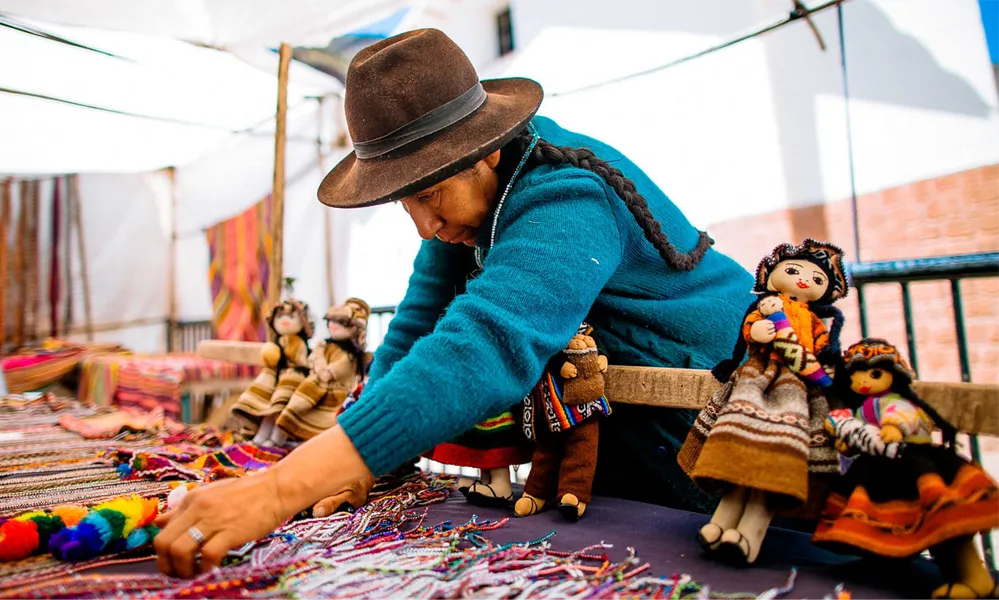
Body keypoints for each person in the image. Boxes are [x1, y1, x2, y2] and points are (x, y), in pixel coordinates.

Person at [153, 28, 755, 578]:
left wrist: (278, 491)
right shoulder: (470, 201)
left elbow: (481, 348)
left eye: (429, 193)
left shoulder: (567, 195)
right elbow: (417, 325)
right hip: (616, 423)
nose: (422, 226)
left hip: (704, 423)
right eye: (403, 202)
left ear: (485, 150)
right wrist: (354, 460)